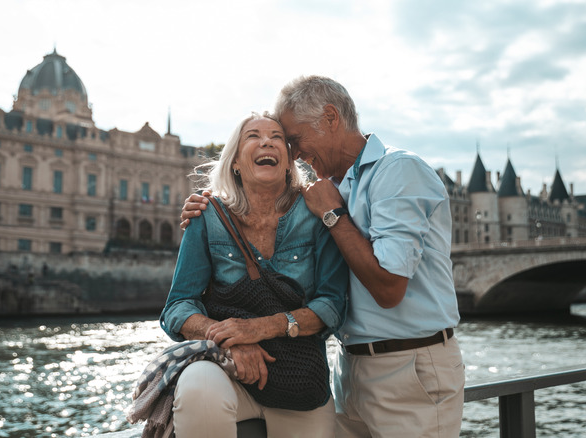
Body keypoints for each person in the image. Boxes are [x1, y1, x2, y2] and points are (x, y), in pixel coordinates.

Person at [181, 77, 464, 438]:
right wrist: (210, 205)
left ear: (330, 118)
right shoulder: (334, 186)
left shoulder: (399, 171)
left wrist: (332, 215)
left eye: (294, 139)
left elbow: (390, 289)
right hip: (351, 369)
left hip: (410, 368)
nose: (295, 154)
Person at [161, 112, 349, 438]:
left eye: (277, 137)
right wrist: (228, 341)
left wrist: (256, 329)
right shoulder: (208, 215)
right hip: (227, 371)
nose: (266, 141)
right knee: (197, 389)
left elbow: (332, 306)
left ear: (289, 162)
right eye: (253, 136)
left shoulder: (317, 214)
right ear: (235, 162)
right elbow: (177, 308)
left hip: (301, 381)